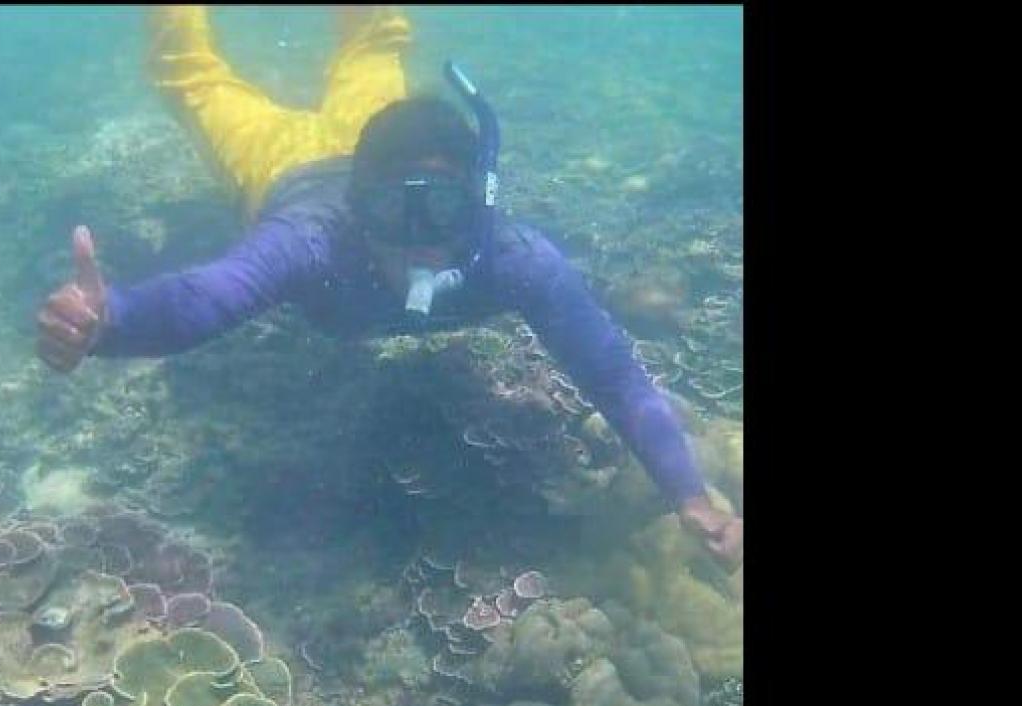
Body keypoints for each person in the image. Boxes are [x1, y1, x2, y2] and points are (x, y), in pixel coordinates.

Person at [37, 5, 743, 569]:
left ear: (478, 206)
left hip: (377, 145)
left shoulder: (512, 258)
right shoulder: (312, 237)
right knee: (189, 75)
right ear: (356, 206)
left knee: (375, 38)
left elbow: (614, 376)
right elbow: (206, 299)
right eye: (391, 212)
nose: (419, 241)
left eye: (442, 210)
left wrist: (688, 493)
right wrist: (110, 321)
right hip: (286, 164)